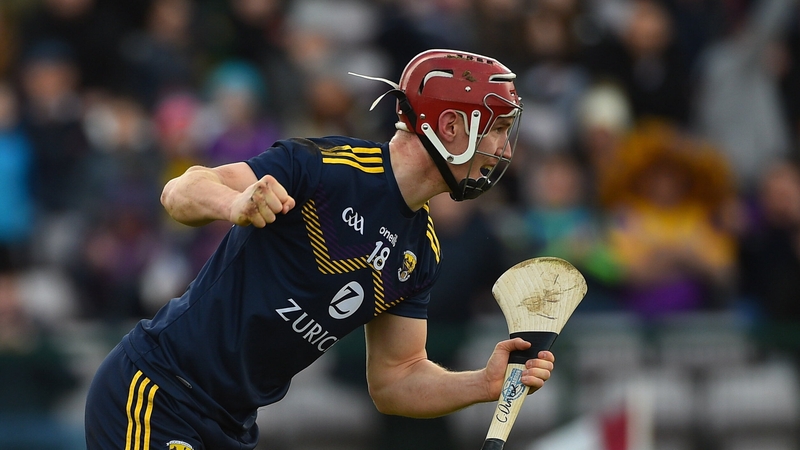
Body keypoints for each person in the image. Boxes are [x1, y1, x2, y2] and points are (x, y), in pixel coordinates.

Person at [84, 49, 556, 450]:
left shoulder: (420, 253)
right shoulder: (325, 167)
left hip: (233, 426)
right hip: (157, 390)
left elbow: (396, 381)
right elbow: (180, 191)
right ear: (451, 125)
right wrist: (236, 202)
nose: (505, 150)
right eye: (496, 129)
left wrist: (483, 384)